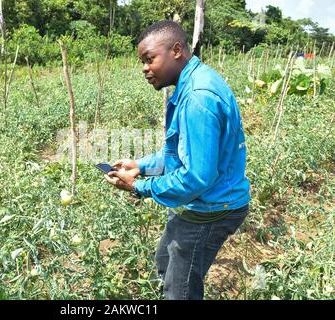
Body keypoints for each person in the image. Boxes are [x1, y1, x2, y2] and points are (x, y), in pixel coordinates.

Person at [104, 20, 250, 300]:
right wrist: (141, 166)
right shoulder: (192, 83)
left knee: (179, 290)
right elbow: (180, 155)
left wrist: (139, 187)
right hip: (204, 200)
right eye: (142, 62)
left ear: (176, 50)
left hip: (211, 209)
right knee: (164, 262)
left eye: (150, 59)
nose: (145, 69)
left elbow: (196, 177)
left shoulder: (198, 98)